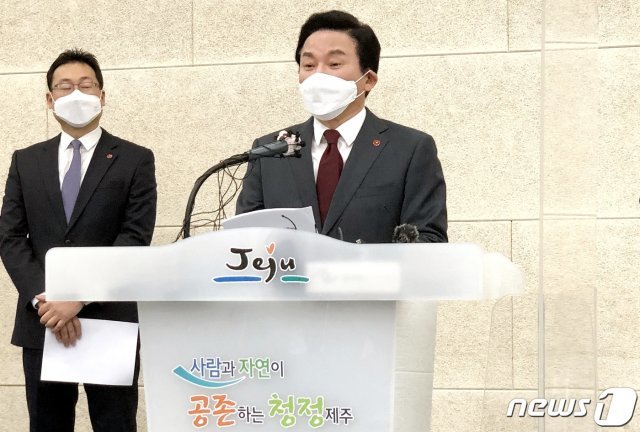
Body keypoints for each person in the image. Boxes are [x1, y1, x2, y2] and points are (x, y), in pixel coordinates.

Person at [0, 49, 157, 432]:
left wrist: (79, 296)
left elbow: (134, 238)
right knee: (47, 424)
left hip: (110, 320)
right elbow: (11, 236)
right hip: (43, 322)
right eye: (65, 86)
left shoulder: (135, 159)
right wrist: (48, 300)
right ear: (49, 98)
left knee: (115, 423)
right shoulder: (26, 161)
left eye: (86, 86)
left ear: (102, 95)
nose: (76, 94)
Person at [236, 10, 447, 243]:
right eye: (309, 64)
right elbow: (245, 238)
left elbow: (429, 241)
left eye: (334, 64)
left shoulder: (410, 149)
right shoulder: (269, 150)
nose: (318, 75)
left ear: (368, 80)